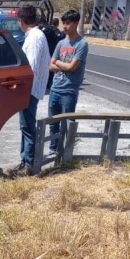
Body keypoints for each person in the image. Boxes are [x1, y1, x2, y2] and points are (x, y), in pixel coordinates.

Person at [14, 4, 51, 174]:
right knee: (25, 126)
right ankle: (25, 160)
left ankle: (29, 164)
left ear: (21, 20)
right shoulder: (34, 35)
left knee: (28, 127)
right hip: (30, 88)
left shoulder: (35, 37)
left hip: (30, 89)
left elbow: (32, 66)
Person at [48, 10, 89, 154]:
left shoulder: (81, 44)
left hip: (69, 91)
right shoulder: (61, 43)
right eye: (63, 23)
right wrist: (60, 65)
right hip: (55, 89)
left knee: (67, 124)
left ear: (76, 23)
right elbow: (50, 66)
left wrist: (58, 63)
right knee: (53, 123)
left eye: (68, 23)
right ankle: (53, 150)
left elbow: (72, 67)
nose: (64, 26)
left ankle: (65, 152)